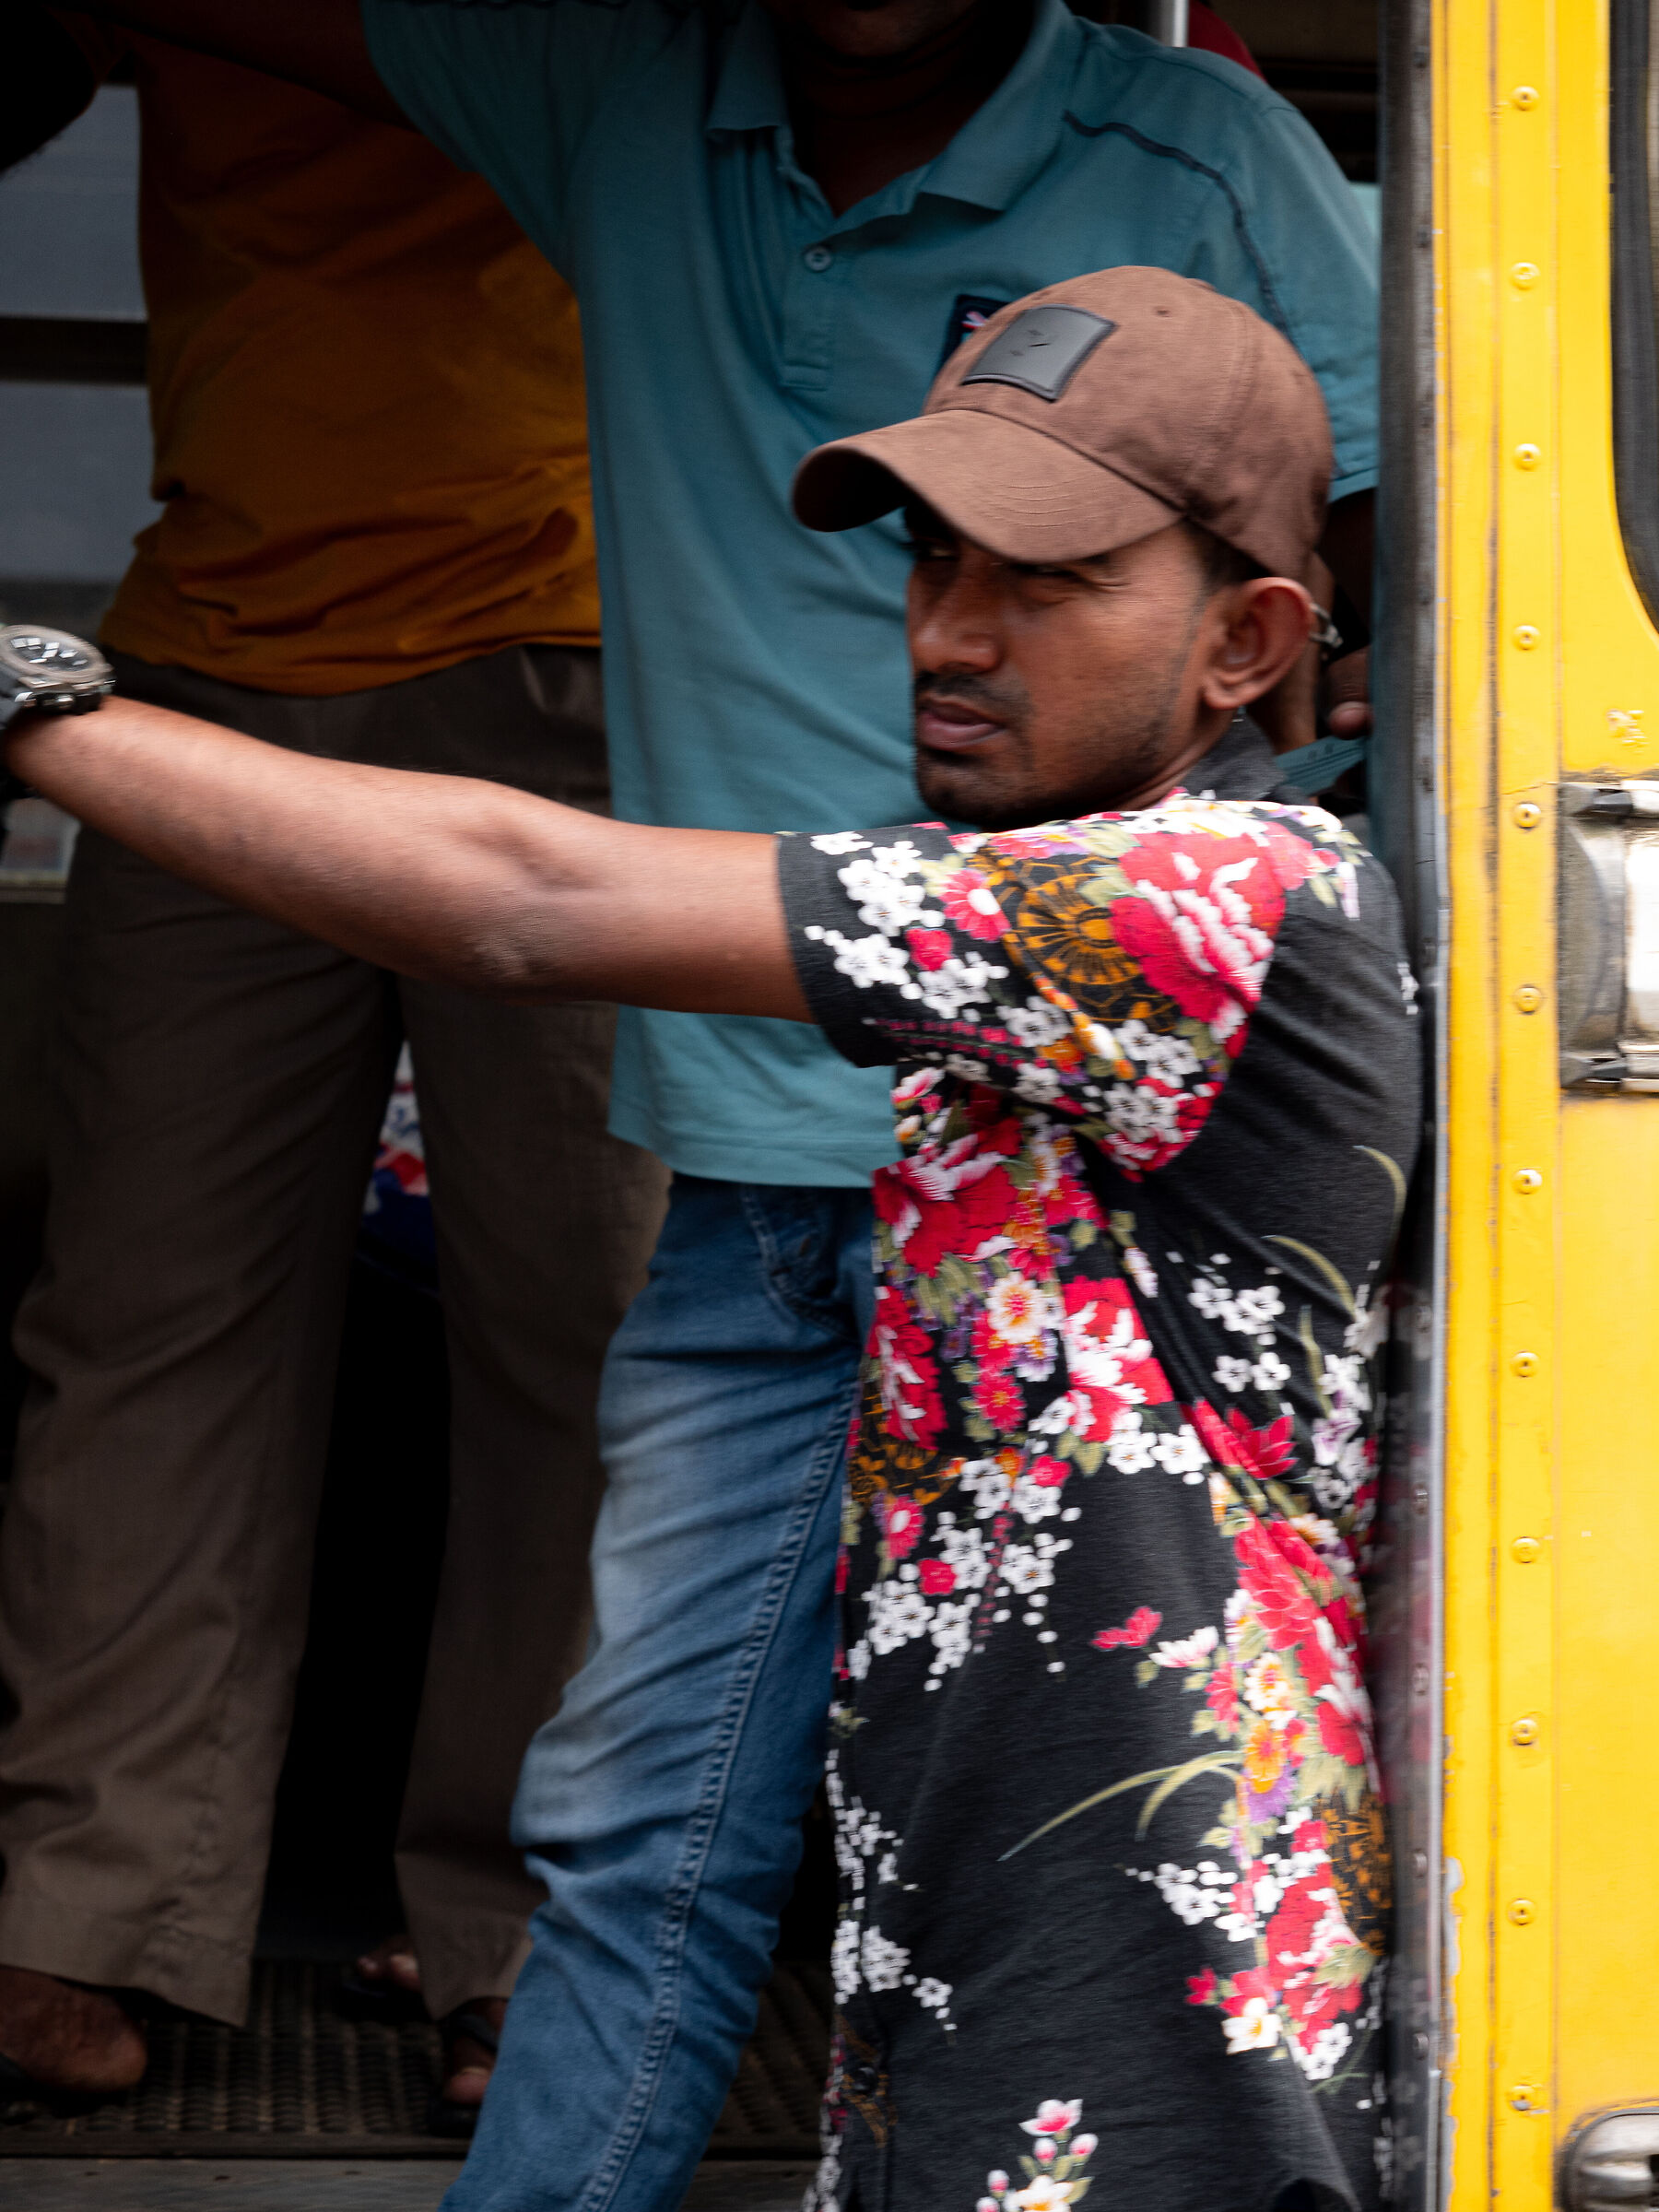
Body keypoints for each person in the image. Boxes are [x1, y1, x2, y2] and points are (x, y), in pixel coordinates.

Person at [29, 0, 1381, 2198]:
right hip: (774, 1205)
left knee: (913, 1866)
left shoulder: (1194, 901)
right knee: (665, 1840)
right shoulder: (635, 119)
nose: (940, 640)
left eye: (1045, 581)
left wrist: (36, 713)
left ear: (1250, 641)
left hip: (1161, 2068)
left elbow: (530, 893)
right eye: (925, 561)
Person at [0, 10, 665, 2116]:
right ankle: (82, 1922)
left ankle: (532, 1940)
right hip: (211, 645)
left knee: (588, 1327)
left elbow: (486, 65)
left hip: (578, 626)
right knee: (138, 1319)